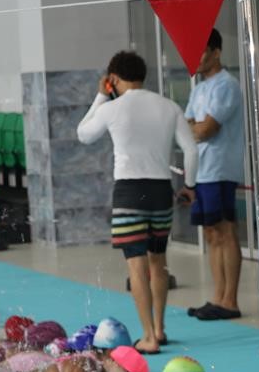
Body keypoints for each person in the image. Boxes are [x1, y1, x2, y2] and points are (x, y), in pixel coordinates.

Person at [78, 50, 199, 354]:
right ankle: (160, 327)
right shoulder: (168, 106)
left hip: (129, 191)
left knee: (137, 265)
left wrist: (100, 97)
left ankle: (148, 337)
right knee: (158, 262)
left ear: (113, 79)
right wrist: (190, 186)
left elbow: (83, 135)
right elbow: (192, 150)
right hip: (161, 191)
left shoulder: (112, 108)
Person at [184, 28, 248, 322]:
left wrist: (195, 130)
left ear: (216, 52)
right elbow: (185, 128)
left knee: (224, 230)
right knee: (210, 234)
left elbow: (207, 129)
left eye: (200, 51)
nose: (194, 59)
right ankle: (217, 296)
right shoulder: (198, 88)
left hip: (220, 167)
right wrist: (194, 130)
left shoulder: (227, 85)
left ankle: (230, 300)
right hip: (201, 169)